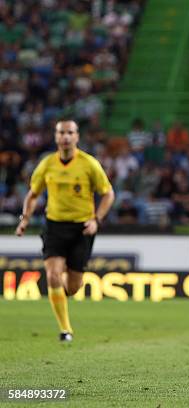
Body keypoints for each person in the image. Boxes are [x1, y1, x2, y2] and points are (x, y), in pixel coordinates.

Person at [15, 120, 115, 342]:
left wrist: (96, 220)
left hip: (82, 228)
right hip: (54, 225)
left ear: (77, 137)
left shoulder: (89, 164)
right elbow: (32, 195)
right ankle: (65, 329)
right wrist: (25, 220)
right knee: (52, 274)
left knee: (73, 287)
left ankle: (62, 299)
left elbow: (108, 194)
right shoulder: (47, 164)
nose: (66, 137)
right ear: (56, 136)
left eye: (70, 132)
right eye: (62, 132)